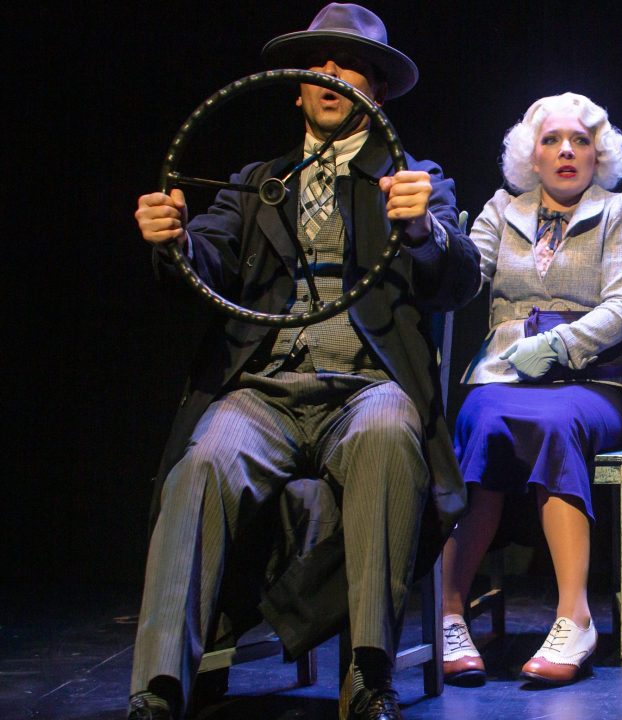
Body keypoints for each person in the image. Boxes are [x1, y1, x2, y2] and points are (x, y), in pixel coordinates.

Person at [128, 5, 480, 719]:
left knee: (387, 436)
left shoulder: (412, 177)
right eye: (316, 64)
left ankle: (369, 673)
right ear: (295, 87)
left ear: (374, 90)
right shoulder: (258, 182)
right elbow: (207, 262)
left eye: (347, 64)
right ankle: (160, 686)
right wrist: (173, 241)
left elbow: (459, 279)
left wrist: (420, 228)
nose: (329, 74)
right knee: (200, 464)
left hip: (369, 387)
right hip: (267, 391)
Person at [438, 93, 622, 687]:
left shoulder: (621, 210)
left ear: (598, 153)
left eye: (580, 141)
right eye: (552, 140)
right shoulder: (500, 211)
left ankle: (574, 616)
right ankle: (450, 611)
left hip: (589, 377)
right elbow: (461, 276)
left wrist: (557, 348)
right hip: (503, 374)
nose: (566, 151)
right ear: (532, 154)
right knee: (483, 424)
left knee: (556, 424)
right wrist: (426, 235)